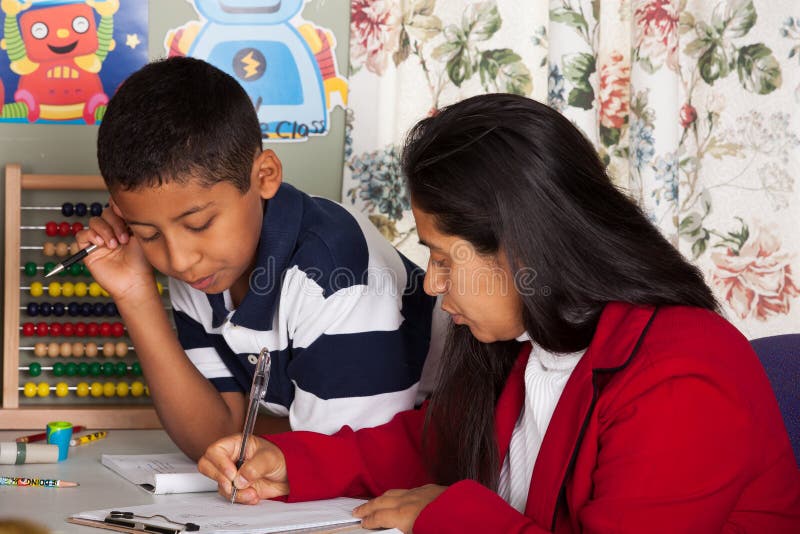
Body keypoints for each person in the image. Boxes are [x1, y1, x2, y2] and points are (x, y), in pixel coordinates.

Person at [198, 93, 800, 533]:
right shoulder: (532, 344)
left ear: (522, 248)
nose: (432, 284)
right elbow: (437, 442)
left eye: (441, 257)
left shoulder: (684, 374)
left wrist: (447, 513)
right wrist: (293, 463)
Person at [77, 56, 436, 461]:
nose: (178, 260)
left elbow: (340, 461)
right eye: (148, 234)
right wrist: (134, 295)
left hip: (435, 465)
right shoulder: (206, 271)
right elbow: (214, 439)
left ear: (264, 176)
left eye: (199, 224)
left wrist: (241, 433)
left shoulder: (333, 275)